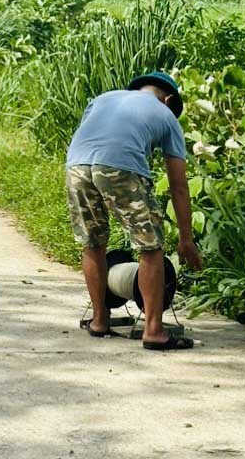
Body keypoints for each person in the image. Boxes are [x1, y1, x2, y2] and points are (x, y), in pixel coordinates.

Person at [65, 72, 202, 350]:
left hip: (76, 166)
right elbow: (178, 185)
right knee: (150, 247)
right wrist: (186, 240)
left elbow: (92, 138)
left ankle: (100, 319)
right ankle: (153, 330)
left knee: (93, 243)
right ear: (169, 99)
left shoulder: (103, 99)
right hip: (120, 166)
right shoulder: (165, 115)